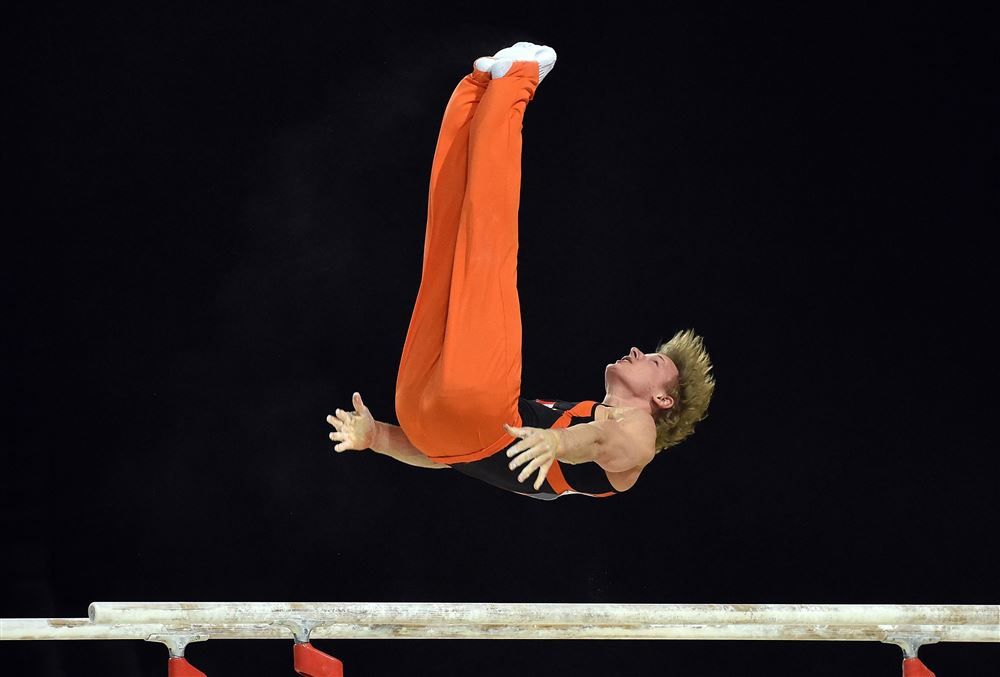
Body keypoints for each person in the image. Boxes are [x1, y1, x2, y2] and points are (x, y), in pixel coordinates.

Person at [327, 41, 716, 500]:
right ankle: (477, 89)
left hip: (468, 415)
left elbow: (601, 441)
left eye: (652, 360)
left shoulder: (637, 436)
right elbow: (451, 454)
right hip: (431, 423)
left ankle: (517, 78)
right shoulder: (576, 412)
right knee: (445, 252)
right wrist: (379, 440)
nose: (636, 349)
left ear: (663, 400)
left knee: (486, 252)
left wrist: (557, 442)